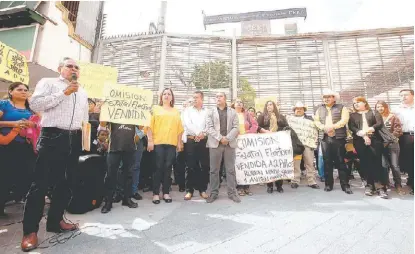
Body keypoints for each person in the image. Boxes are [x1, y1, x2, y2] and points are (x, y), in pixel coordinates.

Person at [21, 57, 89, 252]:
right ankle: (30, 232)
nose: (73, 68)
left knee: (65, 183)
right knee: (40, 185)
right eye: (69, 66)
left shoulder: (82, 91)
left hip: (73, 139)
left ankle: (55, 221)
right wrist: (64, 93)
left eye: (77, 66)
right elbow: (35, 105)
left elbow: (83, 117)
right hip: (52, 136)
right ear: (60, 68)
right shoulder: (48, 83)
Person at [0, 82, 36, 216]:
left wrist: (32, 124)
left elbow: (40, 122)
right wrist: (13, 123)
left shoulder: (31, 109)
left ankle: (22, 201)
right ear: (10, 91)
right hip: (6, 145)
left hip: (25, 146)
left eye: (26, 90)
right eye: (19, 89)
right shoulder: (4, 105)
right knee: (3, 177)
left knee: (25, 176)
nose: (23, 92)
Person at [146, 88, 184, 204]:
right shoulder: (155, 109)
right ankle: (156, 193)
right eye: (164, 94)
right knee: (158, 167)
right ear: (161, 97)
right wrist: (150, 140)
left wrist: (179, 142)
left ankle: (166, 192)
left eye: (169, 94)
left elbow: (179, 129)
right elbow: (149, 126)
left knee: (168, 168)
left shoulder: (176, 111)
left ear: (172, 97)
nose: (166, 96)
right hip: (158, 143)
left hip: (171, 143)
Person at [314, 89, 352, 194]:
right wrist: (324, 128)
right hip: (325, 138)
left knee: (341, 161)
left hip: (338, 137)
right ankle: (328, 184)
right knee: (327, 161)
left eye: (329, 97)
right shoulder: (319, 109)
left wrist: (332, 127)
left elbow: (344, 120)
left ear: (334, 98)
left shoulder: (342, 107)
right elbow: (316, 121)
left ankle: (345, 185)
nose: (326, 99)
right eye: (324, 97)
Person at [349, 96, 388, 198]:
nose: (356, 104)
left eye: (358, 102)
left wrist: (368, 130)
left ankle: (380, 187)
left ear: (364, 103)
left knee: (377, 163)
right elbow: (352, 127)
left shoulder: (374, 112)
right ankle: (369, 186)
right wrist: (362, 134)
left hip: (375, 140)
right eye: (354, 103)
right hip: (360, 141)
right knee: (365, 163)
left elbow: (379, 124)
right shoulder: (352, 115)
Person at [205, 92, 240, 203]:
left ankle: (232, 193)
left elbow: (236, 127)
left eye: (220, 96)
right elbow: (209, 128)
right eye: (216, 96)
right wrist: (220, 138)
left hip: (229, 144)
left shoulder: (233, 112)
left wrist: (227, 138)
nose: (218, 98)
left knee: (230, 170)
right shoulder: (210, 112)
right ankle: (214, 193)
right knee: (214, 170)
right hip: (215, 144)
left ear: (225, 99)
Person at [99, 121, 139, 213]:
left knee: (128, 174)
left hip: (130, 146)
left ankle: (127, 199)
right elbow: (102, 124)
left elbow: (141, 127)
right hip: (113, 147)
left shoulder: (134, 109)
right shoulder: (113, 107)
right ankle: (108, 201)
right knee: (110, 175)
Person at [182, 91, 210, 200]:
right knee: (190, 166)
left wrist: (204, 133)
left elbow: (209, 125)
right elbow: (187, 124)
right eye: (193, 97)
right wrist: (199, 133)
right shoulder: (187, 111)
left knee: (204, 166)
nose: (194, 99)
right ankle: (189, 190)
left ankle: (202, 190)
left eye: (196, 97)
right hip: (191, 140)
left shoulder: (207, 112)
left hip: (203, 141)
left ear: (202, 99)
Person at [257, 100, 288, 193]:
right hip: (266, 143)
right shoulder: (262, 116)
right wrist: (265, 131)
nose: (269, 106)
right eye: (267, 105)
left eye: (271, 105)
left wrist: (279, 132)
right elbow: (257, 127)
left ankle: (279, 185)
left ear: (274, 106)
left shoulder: (280, 117)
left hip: (278, 143)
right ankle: (269, 186)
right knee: (268, 165)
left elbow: (286, 127)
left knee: (278, 164)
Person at [375, 100, 405, 195]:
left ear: (386, 107)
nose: (380, 108)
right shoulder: (375, 119)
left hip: (392, 144)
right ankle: (385, 183)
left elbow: (398, 131)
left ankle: (398, 185)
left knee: (395, 166)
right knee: (384, 166)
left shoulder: (392, 117)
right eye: (378, 106)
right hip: (381, 145)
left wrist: (388, 140)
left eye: (382, 106)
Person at [289, 102, 320, 189]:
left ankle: (311, 181)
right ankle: (295, 180)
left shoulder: (311, 119)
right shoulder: (290, 120)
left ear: (304, 110)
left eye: (301, 108)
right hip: (296, 145)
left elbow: (315, 131)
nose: (299, 110)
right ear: (294, 110)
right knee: (295, 163)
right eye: (297, 109)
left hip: (308, 144)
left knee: (309, 163)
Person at [231, 98, 258, 196]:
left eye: (241, 102)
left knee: (246, 164)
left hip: (246, 142)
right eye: (237, 102)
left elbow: (255, 125)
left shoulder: (247, 114)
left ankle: (247, 187)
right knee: (237, 165)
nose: (239, 103)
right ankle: (239, 187)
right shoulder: (230, 113)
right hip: (235, 142)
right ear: (233, 104)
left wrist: (248, 132)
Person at [394, 89, 414, 195]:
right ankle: (411, 179)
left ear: (412, 95)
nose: (403, 97)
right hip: (405, 137)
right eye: (401, 95)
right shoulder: (397, 109)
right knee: (409, 160)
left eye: (406, 95)